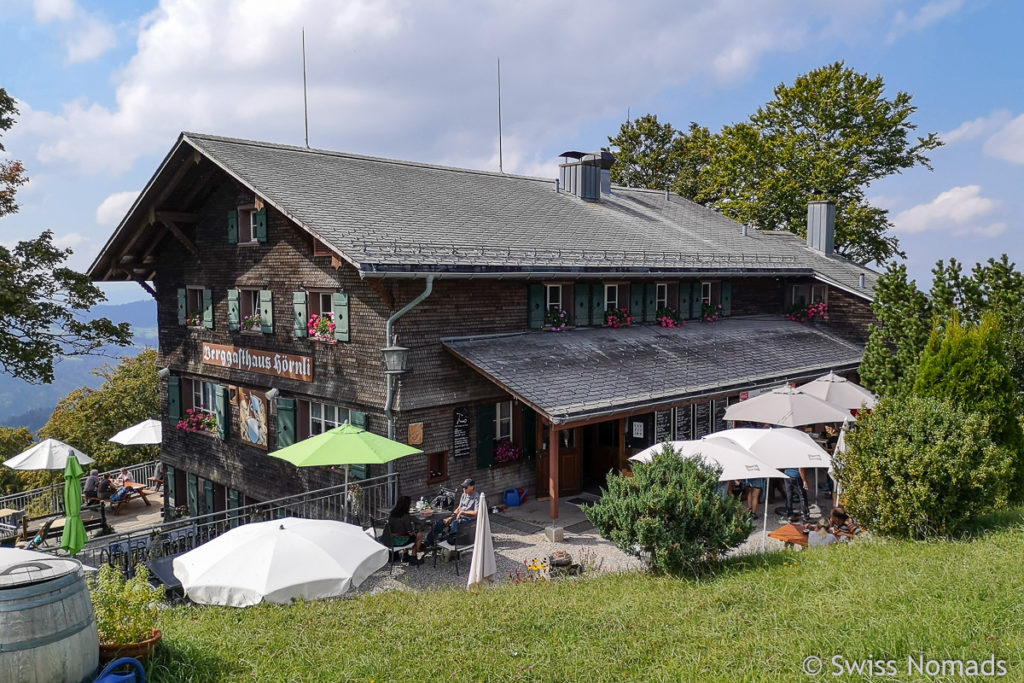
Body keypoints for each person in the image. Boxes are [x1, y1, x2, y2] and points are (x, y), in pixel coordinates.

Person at [436, 478, 480, 542]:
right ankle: (429, 541)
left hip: (469, 518)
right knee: (442, 522)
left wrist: (463, 512)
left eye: (465, 487)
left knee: (455, 522)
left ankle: (451, 539)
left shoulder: (476, 497)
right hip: (460, 515)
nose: (464, 489)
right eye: (463, 487)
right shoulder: (464, 494)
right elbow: (459, 507)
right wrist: (451, 517)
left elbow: (476, 512)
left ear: (472, 487)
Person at [388, 495, 426, 564]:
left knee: (405, 533)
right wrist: (416, 532)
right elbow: (410, 532)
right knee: (419, 535)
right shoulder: (405, 516)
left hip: (390, 538)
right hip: (399, 540)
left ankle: (406, 554)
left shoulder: (392, 512)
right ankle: (413, 557)